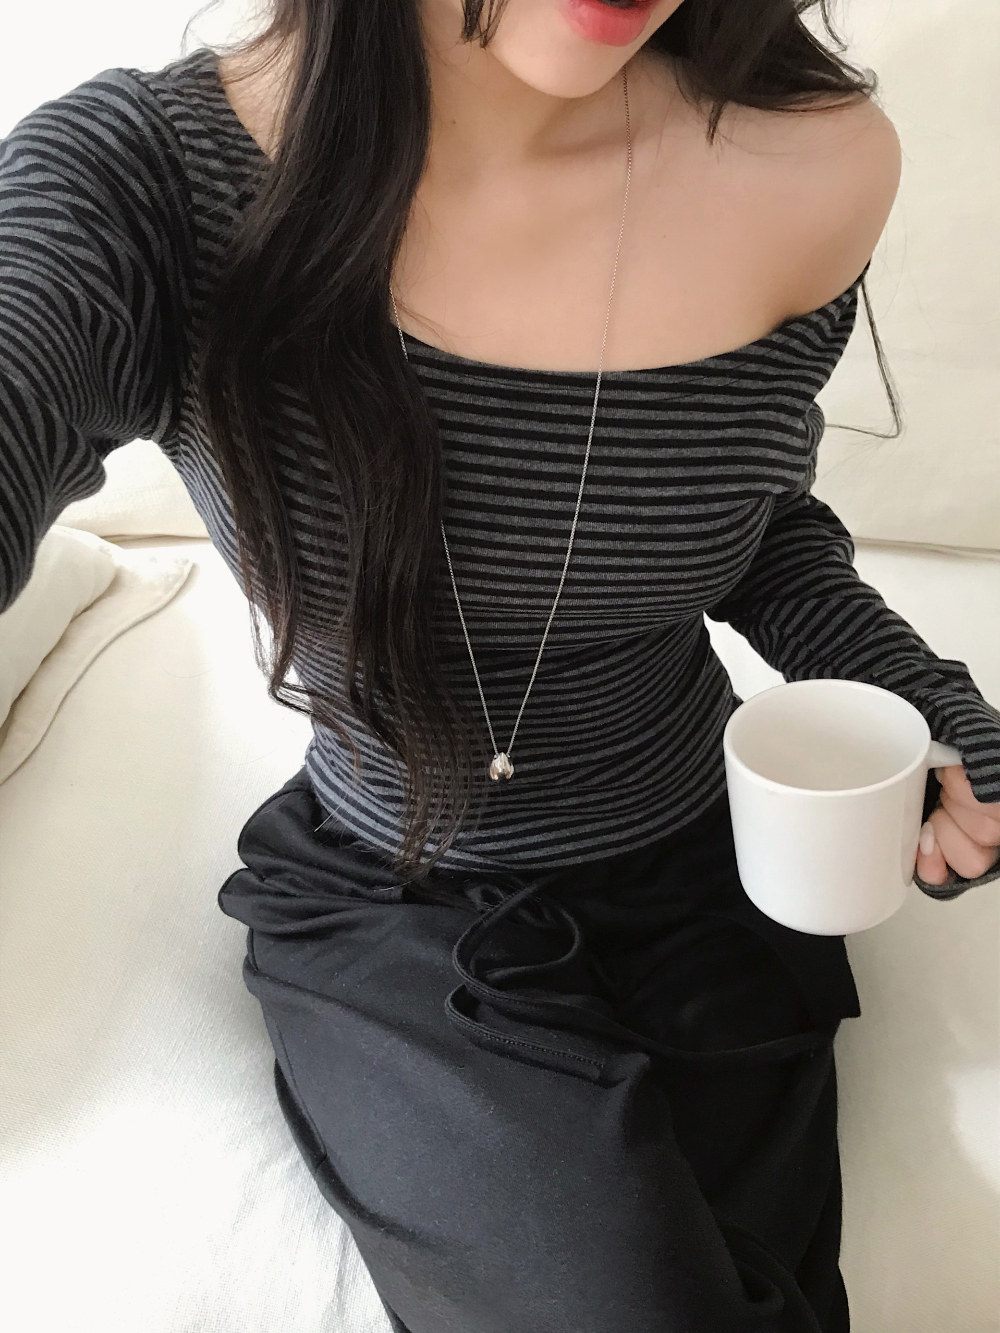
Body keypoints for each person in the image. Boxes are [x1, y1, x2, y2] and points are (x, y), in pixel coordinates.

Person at [2, 2, 999, 1329]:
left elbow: (753, 527)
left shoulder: (816, 164)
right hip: (394, 896)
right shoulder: (150, 183)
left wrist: (928, 705)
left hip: (717, 876)